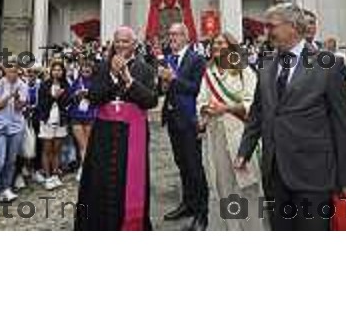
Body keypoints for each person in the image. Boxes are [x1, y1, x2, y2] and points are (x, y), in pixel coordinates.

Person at [236, 3, 346, 231]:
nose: (266, 32)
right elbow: (258, 111)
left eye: (271, 26)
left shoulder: (329, 63)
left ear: (292, 26)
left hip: (313, 172)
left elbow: (343, 124)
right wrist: (245, 150)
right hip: (274, 172)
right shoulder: (267, 62)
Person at [75, 26, 158, 230]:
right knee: (99, 181)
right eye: (118, 41)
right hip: (104, 133)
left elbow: (151, 100)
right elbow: (94, 97)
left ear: (134, 45)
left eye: (125, 41)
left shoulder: (145, 69)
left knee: (127, 181)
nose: (121, 45)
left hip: (132, 134)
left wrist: (129, 80)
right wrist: (112, 74)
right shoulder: (102, 67)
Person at [197, 32, 264, 230]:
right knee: (224, 185)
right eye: (214, 44)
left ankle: (252, 229)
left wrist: (226, 108)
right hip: (216, 134)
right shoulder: (209, 73)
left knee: (247, 185)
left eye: (221, 43)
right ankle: (231, 228)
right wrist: (205, 108)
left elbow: (253, 103)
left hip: (241, 135)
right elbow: (200, 99)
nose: (216, 47)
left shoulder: (245, 71)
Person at [160, 23, 208, 231]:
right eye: (170, 34)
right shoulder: (169, 59)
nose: (172, 38)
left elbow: (196, 88)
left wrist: (173, 79)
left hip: (189, 121)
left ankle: (201, 212)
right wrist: (162, 84)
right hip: (172, 118)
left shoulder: (196, 59)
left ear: (186, 37)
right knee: (182, 165)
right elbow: (166, 88)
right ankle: (187, 204)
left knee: (195, 168)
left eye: (176, 34)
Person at [0, 60, 28, 213]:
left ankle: (5, 189)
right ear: (5, 71)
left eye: (15, 71)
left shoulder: (23, 85)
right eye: (9, 71)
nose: (12, 74)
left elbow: (19, 107)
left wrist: (16, 98)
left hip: (15, 127)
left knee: (11, 161)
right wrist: (9, 95)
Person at [38, 60, 71, 191]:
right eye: (54, 69)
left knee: (57, 149)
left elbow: (67, 102)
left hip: (60, 120)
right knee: (47, 149)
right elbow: (41, 104)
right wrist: (53, 96)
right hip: (47, 120)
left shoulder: (65, 84)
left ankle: (55, 174)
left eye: (59, 70)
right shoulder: (45, 85)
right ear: (50, 71)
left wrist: (62, 97)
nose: (57, 72)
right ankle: (47, 176)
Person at [68, 61, 97, 182]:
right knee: (82, 145)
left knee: (88, 145)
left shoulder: (95, 82)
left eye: (89, 67)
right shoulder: (76, 81)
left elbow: (99, 97)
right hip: (76, 115)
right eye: (84, 67)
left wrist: (89, 95)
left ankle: (84, 168)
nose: (86, 69)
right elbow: (69, 97)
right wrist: (77, 95)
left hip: (90, 115)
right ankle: (84, 169)